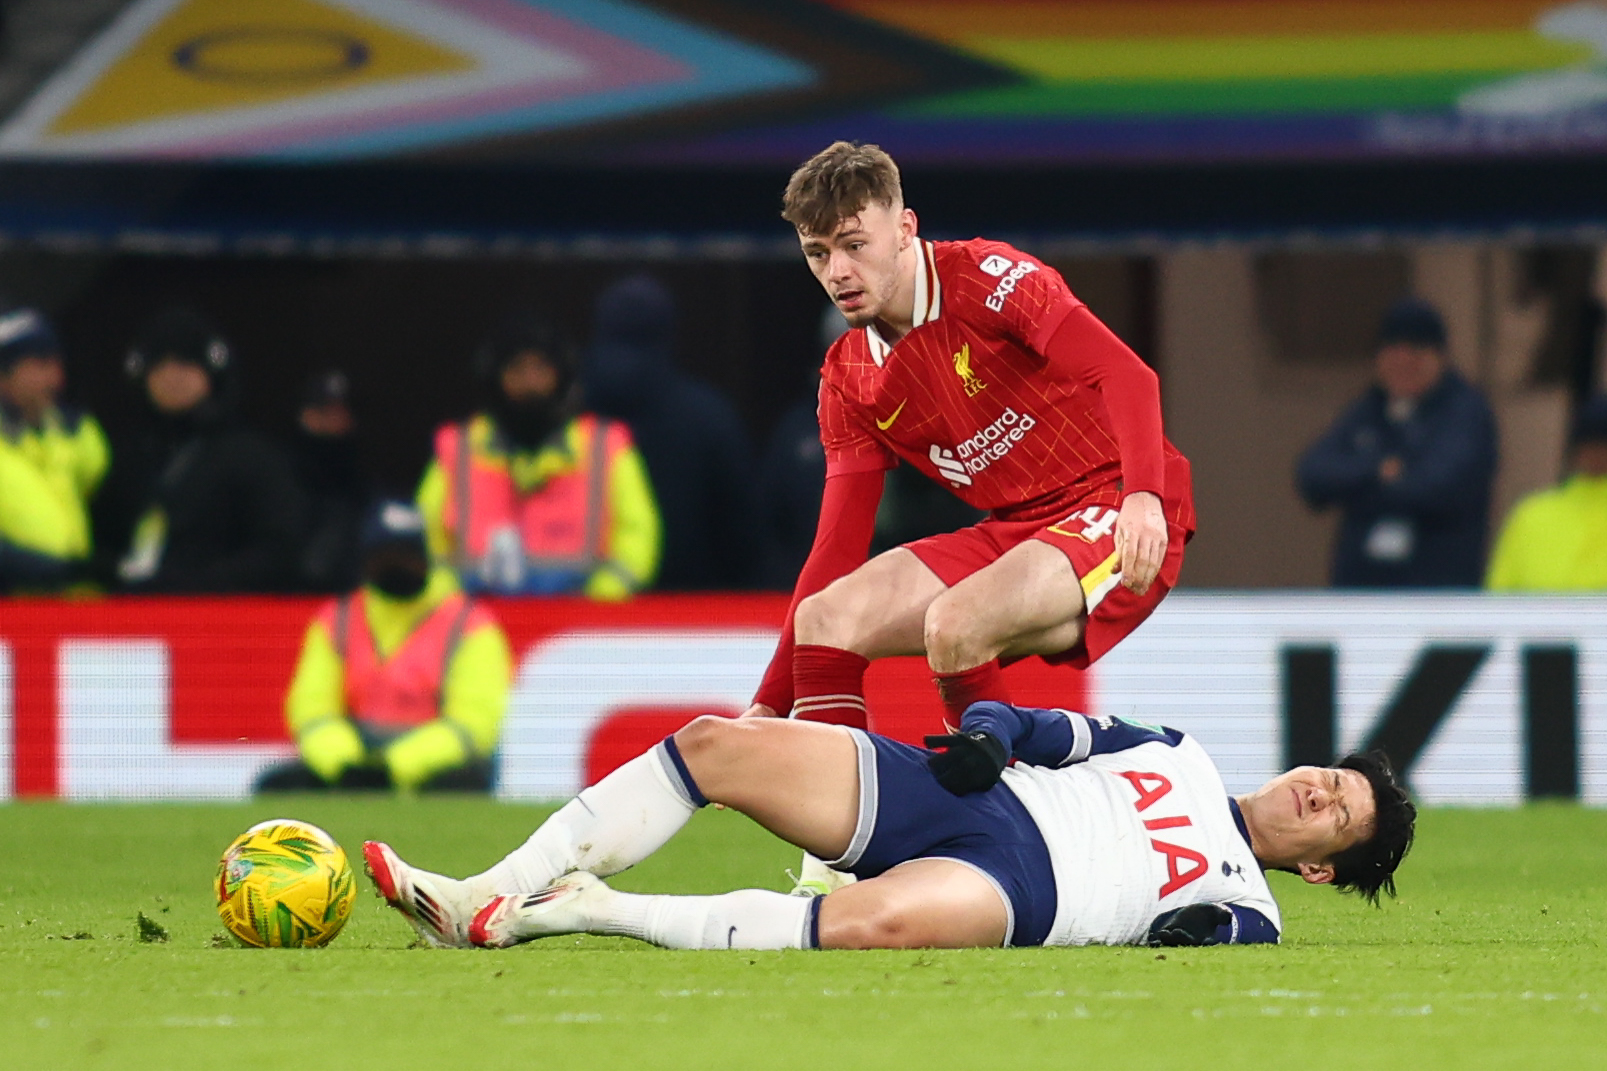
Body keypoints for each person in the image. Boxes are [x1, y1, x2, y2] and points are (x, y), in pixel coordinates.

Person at [745, 142, 1193, 748]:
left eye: (855, 245)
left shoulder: (988, 278)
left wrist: (1143, 497)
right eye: (817, 254)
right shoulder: (847, 377)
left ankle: (999, 794)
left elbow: (1128, 375)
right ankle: (843, 835)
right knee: (824, 619)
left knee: (955, 623)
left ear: (905, 229)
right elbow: (835, 547)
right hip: (1016, 528)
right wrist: (772, 701)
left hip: (1115, 502)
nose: (838, 272)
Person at [362, 701, 1415, 951]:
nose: (1315, 795)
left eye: (1336, 816)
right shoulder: (1179, 753)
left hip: (1024, 891)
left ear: (1323, 870)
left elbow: (1194, 941)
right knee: (718, 746)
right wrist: (988, 737)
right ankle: (475, 896)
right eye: (1328, 778)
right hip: (976, 798)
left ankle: (577, 912)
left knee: (867, 927)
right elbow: (1050, 728)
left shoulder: (1255, 911)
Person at [256, 500, 512, 794]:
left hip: (435, 767)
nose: (396, 565)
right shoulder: (337, 620)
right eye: (385, 557)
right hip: (352, 755)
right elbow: (311, 710)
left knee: (462, 785)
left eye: (406, 556)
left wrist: (393, 767)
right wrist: (345, 764)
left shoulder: (470, 624)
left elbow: (473, 726)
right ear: (366, 561)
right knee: (277, 786)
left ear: (426, 558)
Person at [417, 310, 660, 599]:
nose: (530, 381)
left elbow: (639, 532)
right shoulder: (458, 449)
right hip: (476, 619)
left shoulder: (605, 446)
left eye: (541, 369)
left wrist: (603, 598)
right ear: (496, 377)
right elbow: (424, 534)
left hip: (579, 623)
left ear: (561, 375)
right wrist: (449, 598)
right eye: (517, 369)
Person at [96, 307, 307, 592]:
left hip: (222, 622)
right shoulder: (128, 458)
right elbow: (103, 539)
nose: (172, 377)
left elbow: (279, 547)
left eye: (186, 364)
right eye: (159, 366)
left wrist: (199, 586)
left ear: (211, 373)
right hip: (133, 622)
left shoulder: (252, 457)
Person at [1297, 298, 1498, 588]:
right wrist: (1376, 470)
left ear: (1439, 356)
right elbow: (1312, 475)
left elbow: (1436, 488)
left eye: (1415, 352)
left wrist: (1355, 492)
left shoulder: (1465, 412)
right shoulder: (1368, 409)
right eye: (1392, 351)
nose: (1402, 362)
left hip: (1434, 599)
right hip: (1359, 601)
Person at [584, 274, 758, 590]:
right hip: (691, 616)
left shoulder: (574, 416)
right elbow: (742, 539)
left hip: (587, 616)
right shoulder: (708, 418)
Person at [0, 307, 108, 593]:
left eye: (57, 365)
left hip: (78, 615)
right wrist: (54, 572)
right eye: (41, 365)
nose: (56, 378)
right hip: (16, 620)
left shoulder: (77, 435)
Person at [1486, 394, 1607, 591]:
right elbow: (1500, 594)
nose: (1597, 454)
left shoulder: (1532, 513)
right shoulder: (1532, 514)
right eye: (1591, 445)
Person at [288, 368, 370, 593]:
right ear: (305, 414)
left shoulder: (360, 484)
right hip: (293, 598)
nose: (335, 419)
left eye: (342, 411)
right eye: (325, 411)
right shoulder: (282, 476)